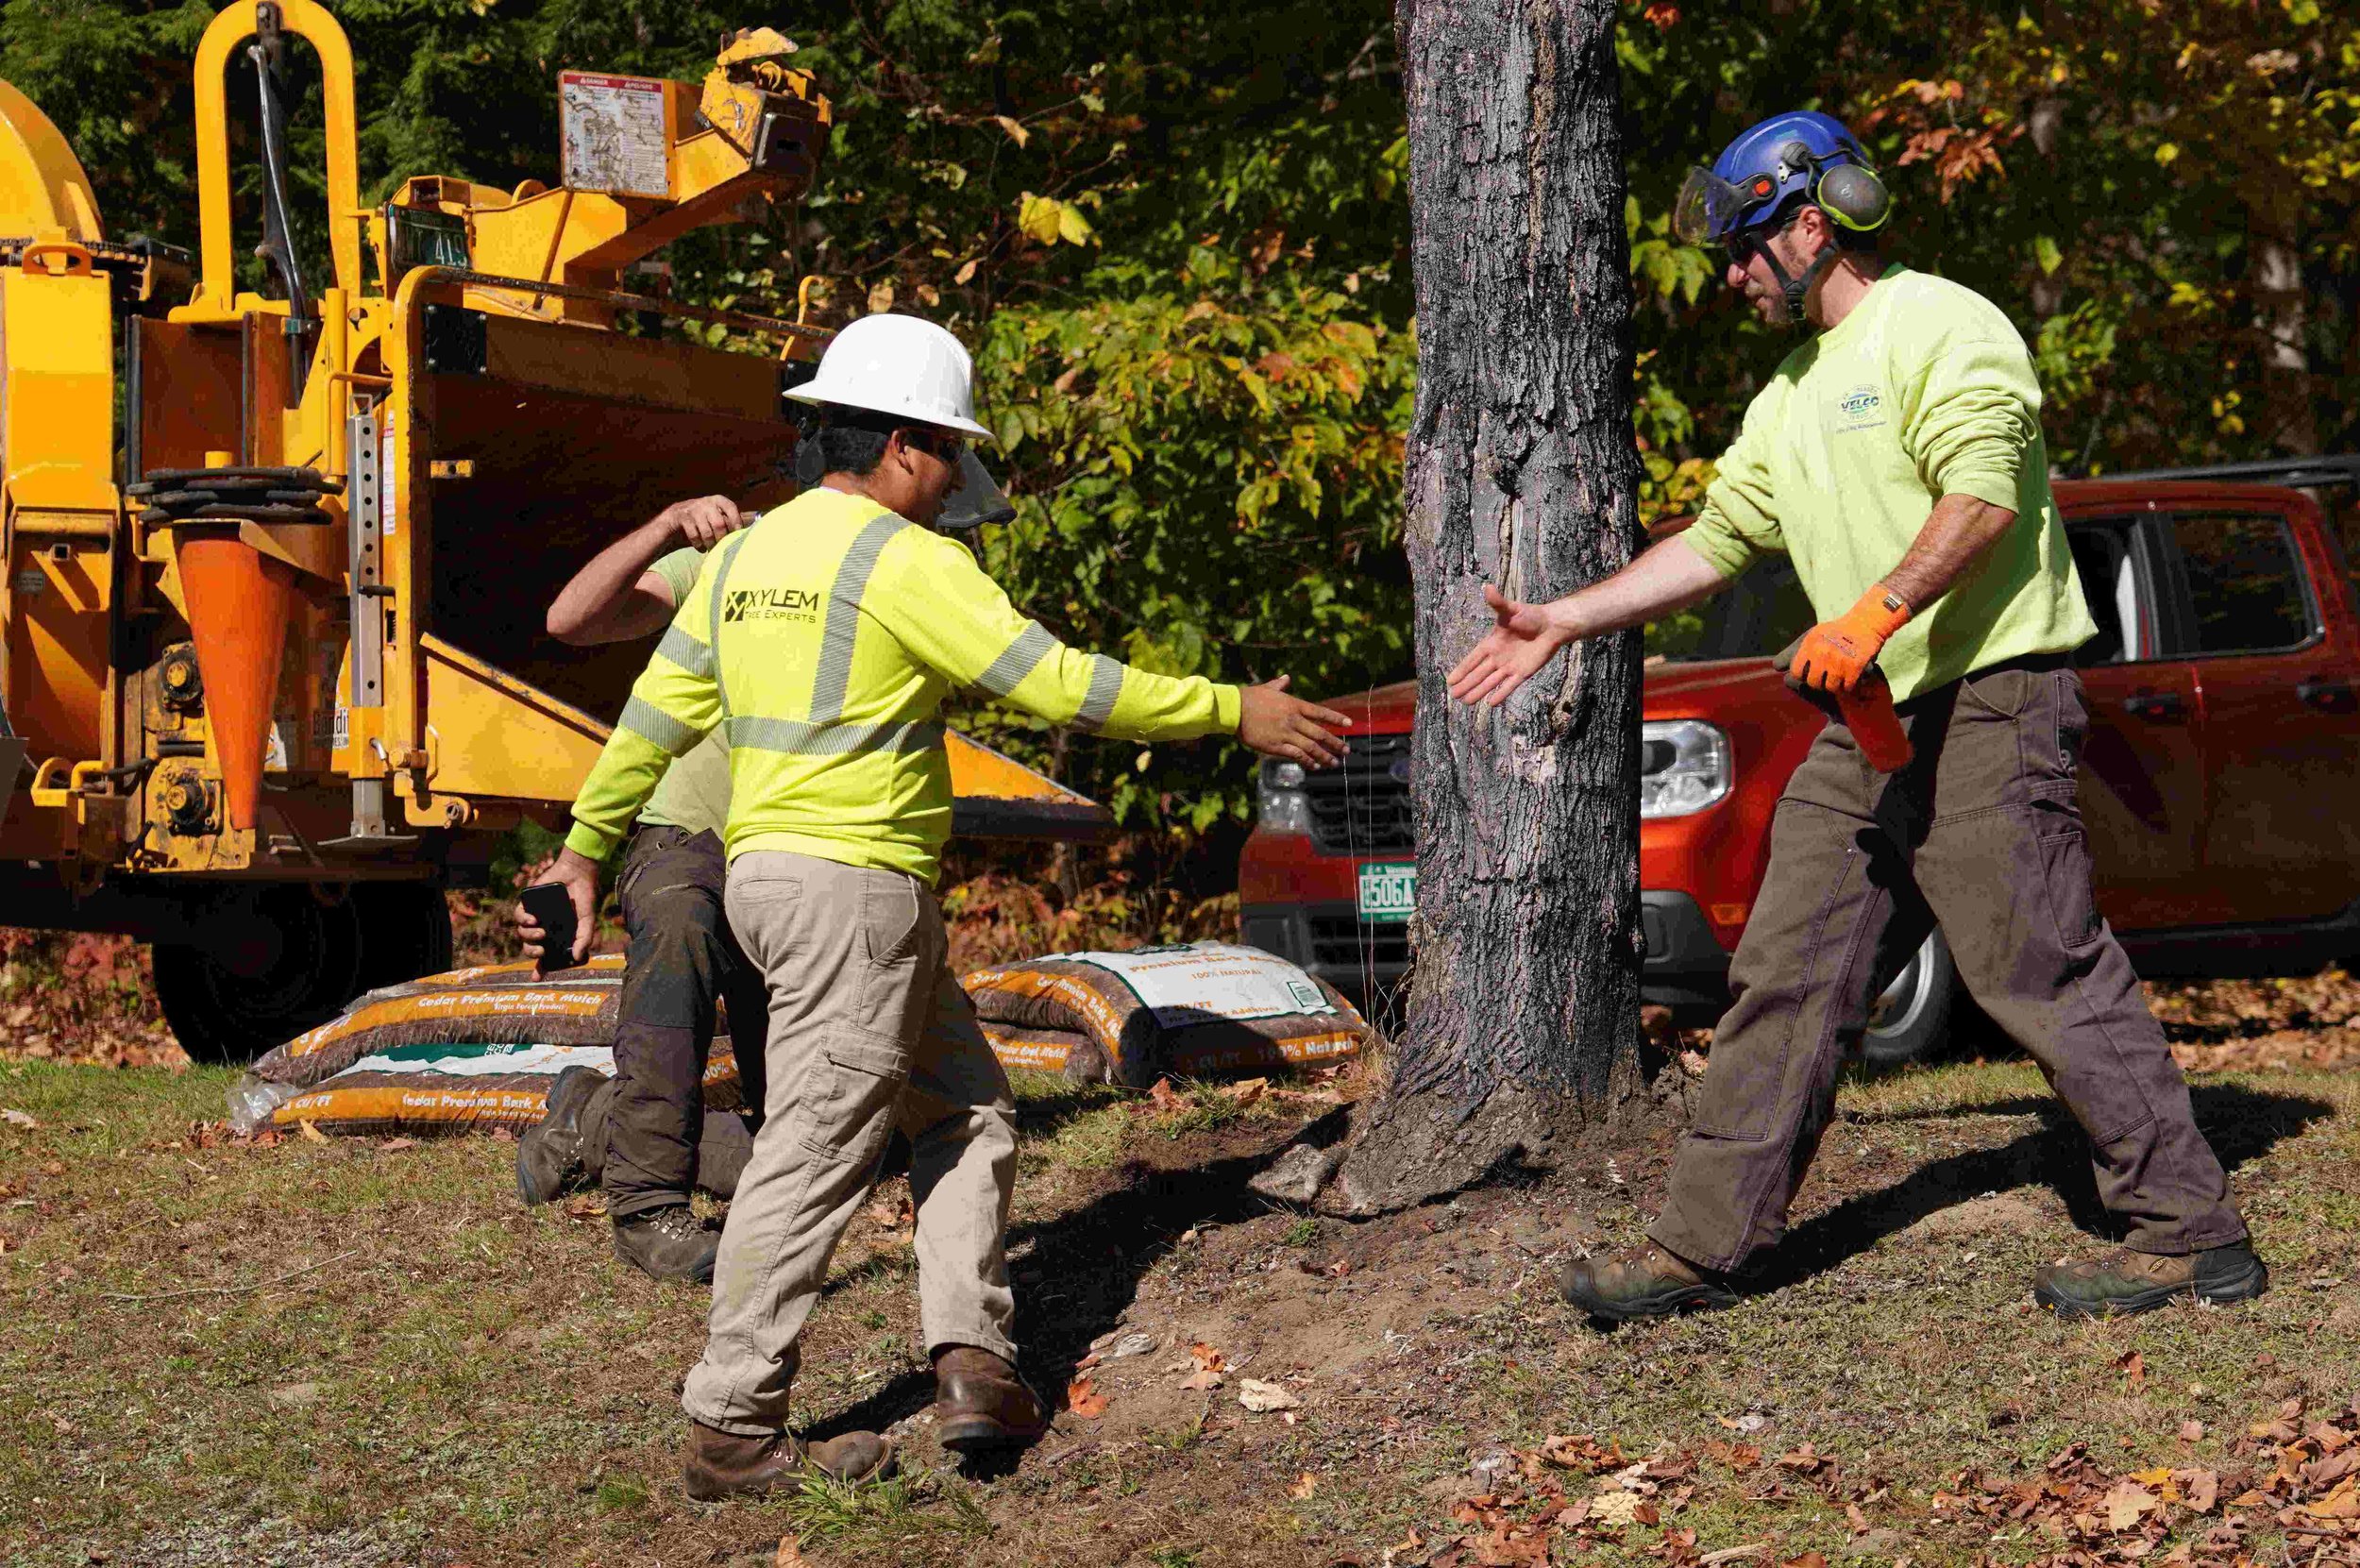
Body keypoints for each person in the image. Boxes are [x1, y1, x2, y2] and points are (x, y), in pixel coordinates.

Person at [1449, 110, 2266, 1324]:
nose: (1730, 276)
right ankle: (1702, 1245)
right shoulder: (1791, 390)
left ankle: (2189, 1234)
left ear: (1810, 225)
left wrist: (1874, 611)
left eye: (1743, 250)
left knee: (2030, 956)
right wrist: (1568, 618)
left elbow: (1984, 487)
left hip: (1989, 690)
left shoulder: (1935, 320)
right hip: (1868, 714)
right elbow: (1720, 538)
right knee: (1785, 966)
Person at [527, 312, 1354, 1497]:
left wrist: (585, 846)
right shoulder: (902, 559)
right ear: (907, 445)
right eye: (952, 451)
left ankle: (973, 1359)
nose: (958, 475)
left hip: (773, 878)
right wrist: (1232, 708)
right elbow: (1058, 680)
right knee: (814, 1148)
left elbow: (655, 714)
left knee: (967, 1108)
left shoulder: (752, 554)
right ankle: (731, 1422)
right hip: (852, 894)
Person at [511, 494, 769, 1285]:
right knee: (681, 920)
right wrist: (661, 525)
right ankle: (648, 1204)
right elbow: (570, 620)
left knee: (817, 1149)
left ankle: (591, 1113)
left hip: (796, 853)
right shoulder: (734, 560)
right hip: (685, 839)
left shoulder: (894, 573)